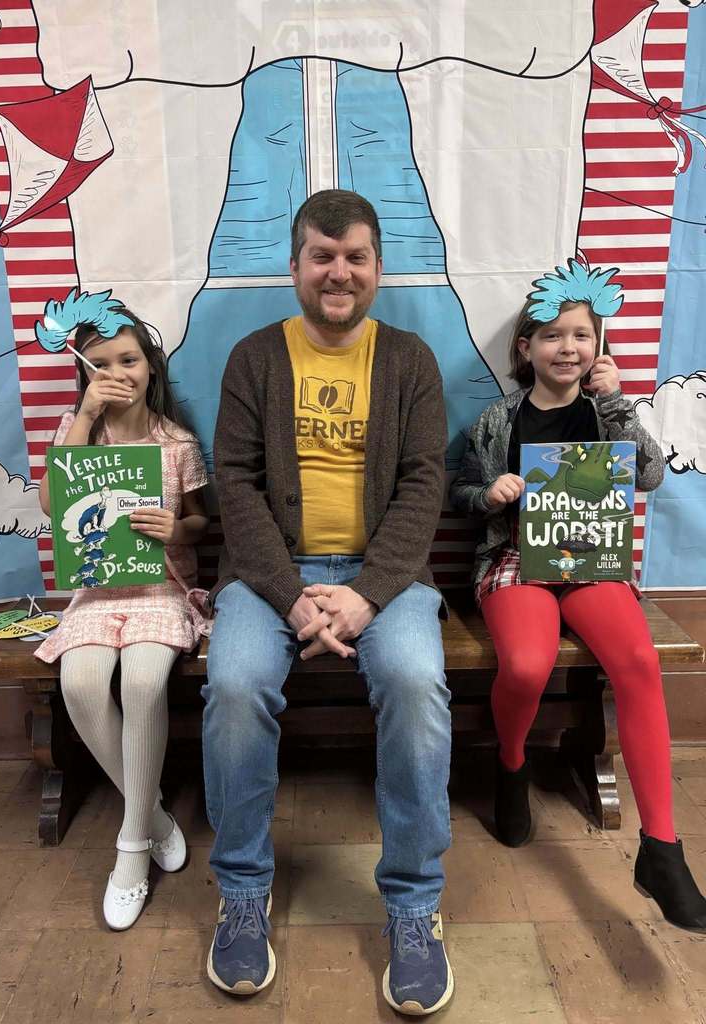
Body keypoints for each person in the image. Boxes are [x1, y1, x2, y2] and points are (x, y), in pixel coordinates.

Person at [203, 189, 453, 1015]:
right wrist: (293, 597)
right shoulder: (253, 358)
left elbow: (424, 484)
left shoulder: (411, 360)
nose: (337, 272)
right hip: (268, 573)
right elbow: (235, 486)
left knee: (417, 686)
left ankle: (415, 910)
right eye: (322, 255)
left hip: (387, 576)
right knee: (235, 686)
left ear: (378, 267)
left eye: (354, 257)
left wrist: (363, 596)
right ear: (296, 265)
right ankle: (241, 892)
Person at [450, 266, 706, 932]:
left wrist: (620, 402)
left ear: (598, 346)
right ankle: (510, 766)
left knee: (638, 664)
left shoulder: (606, 410)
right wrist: (492, 492)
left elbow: (648, 475)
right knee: (529, 665)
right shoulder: (497, 419)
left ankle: (662, 848)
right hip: (517, 559)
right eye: (553, 336)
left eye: (582, 336)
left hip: (593, 562)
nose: (568, 347)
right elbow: (461, 491)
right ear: (525, 348)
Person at [35, 295, 210, 930]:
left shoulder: (177, 442)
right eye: (101, 362)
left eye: (130, 359)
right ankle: (155, 815)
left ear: (150, 365)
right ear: (83, 371)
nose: (118, 372)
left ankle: (130, 850)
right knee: (79, 683)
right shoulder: (74, 432)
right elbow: (56, 509)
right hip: (96, 591)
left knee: (141, 681)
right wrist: (83, 416)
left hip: (160, 590)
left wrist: (178, 529)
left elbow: (199, 521)